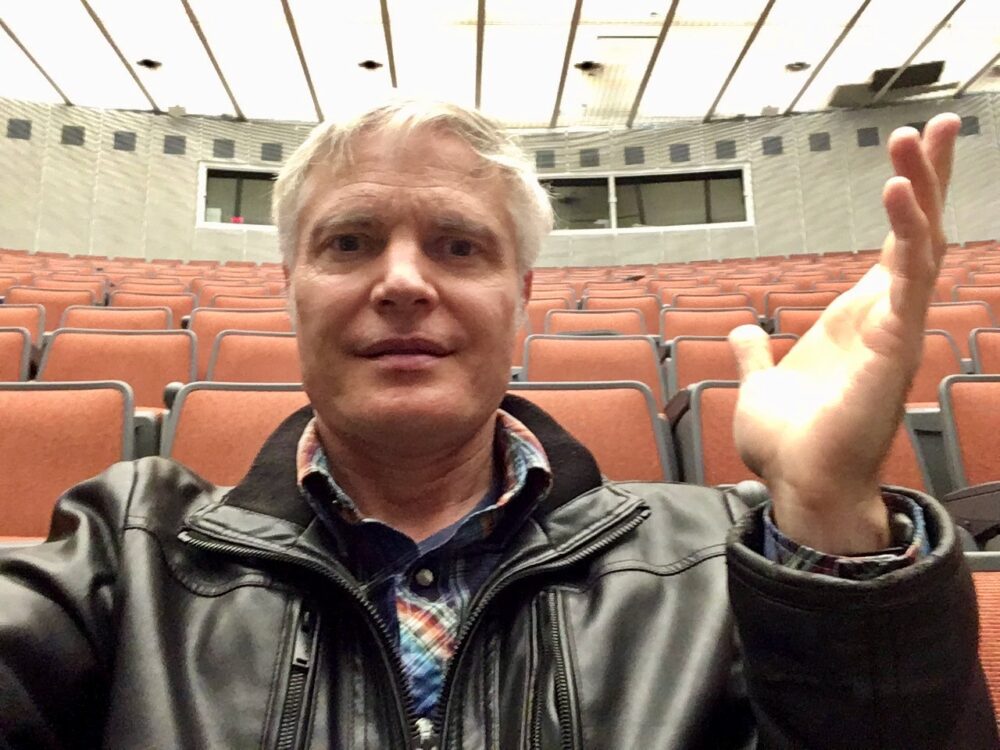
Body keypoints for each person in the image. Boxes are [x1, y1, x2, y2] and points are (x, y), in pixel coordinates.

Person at [0, 100, 995, 750]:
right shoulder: (126, 554)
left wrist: (828, 514)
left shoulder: (719, 565)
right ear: (292, 290)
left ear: (519, 301)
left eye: (456, 245)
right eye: (349, 242)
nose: (400, 281)